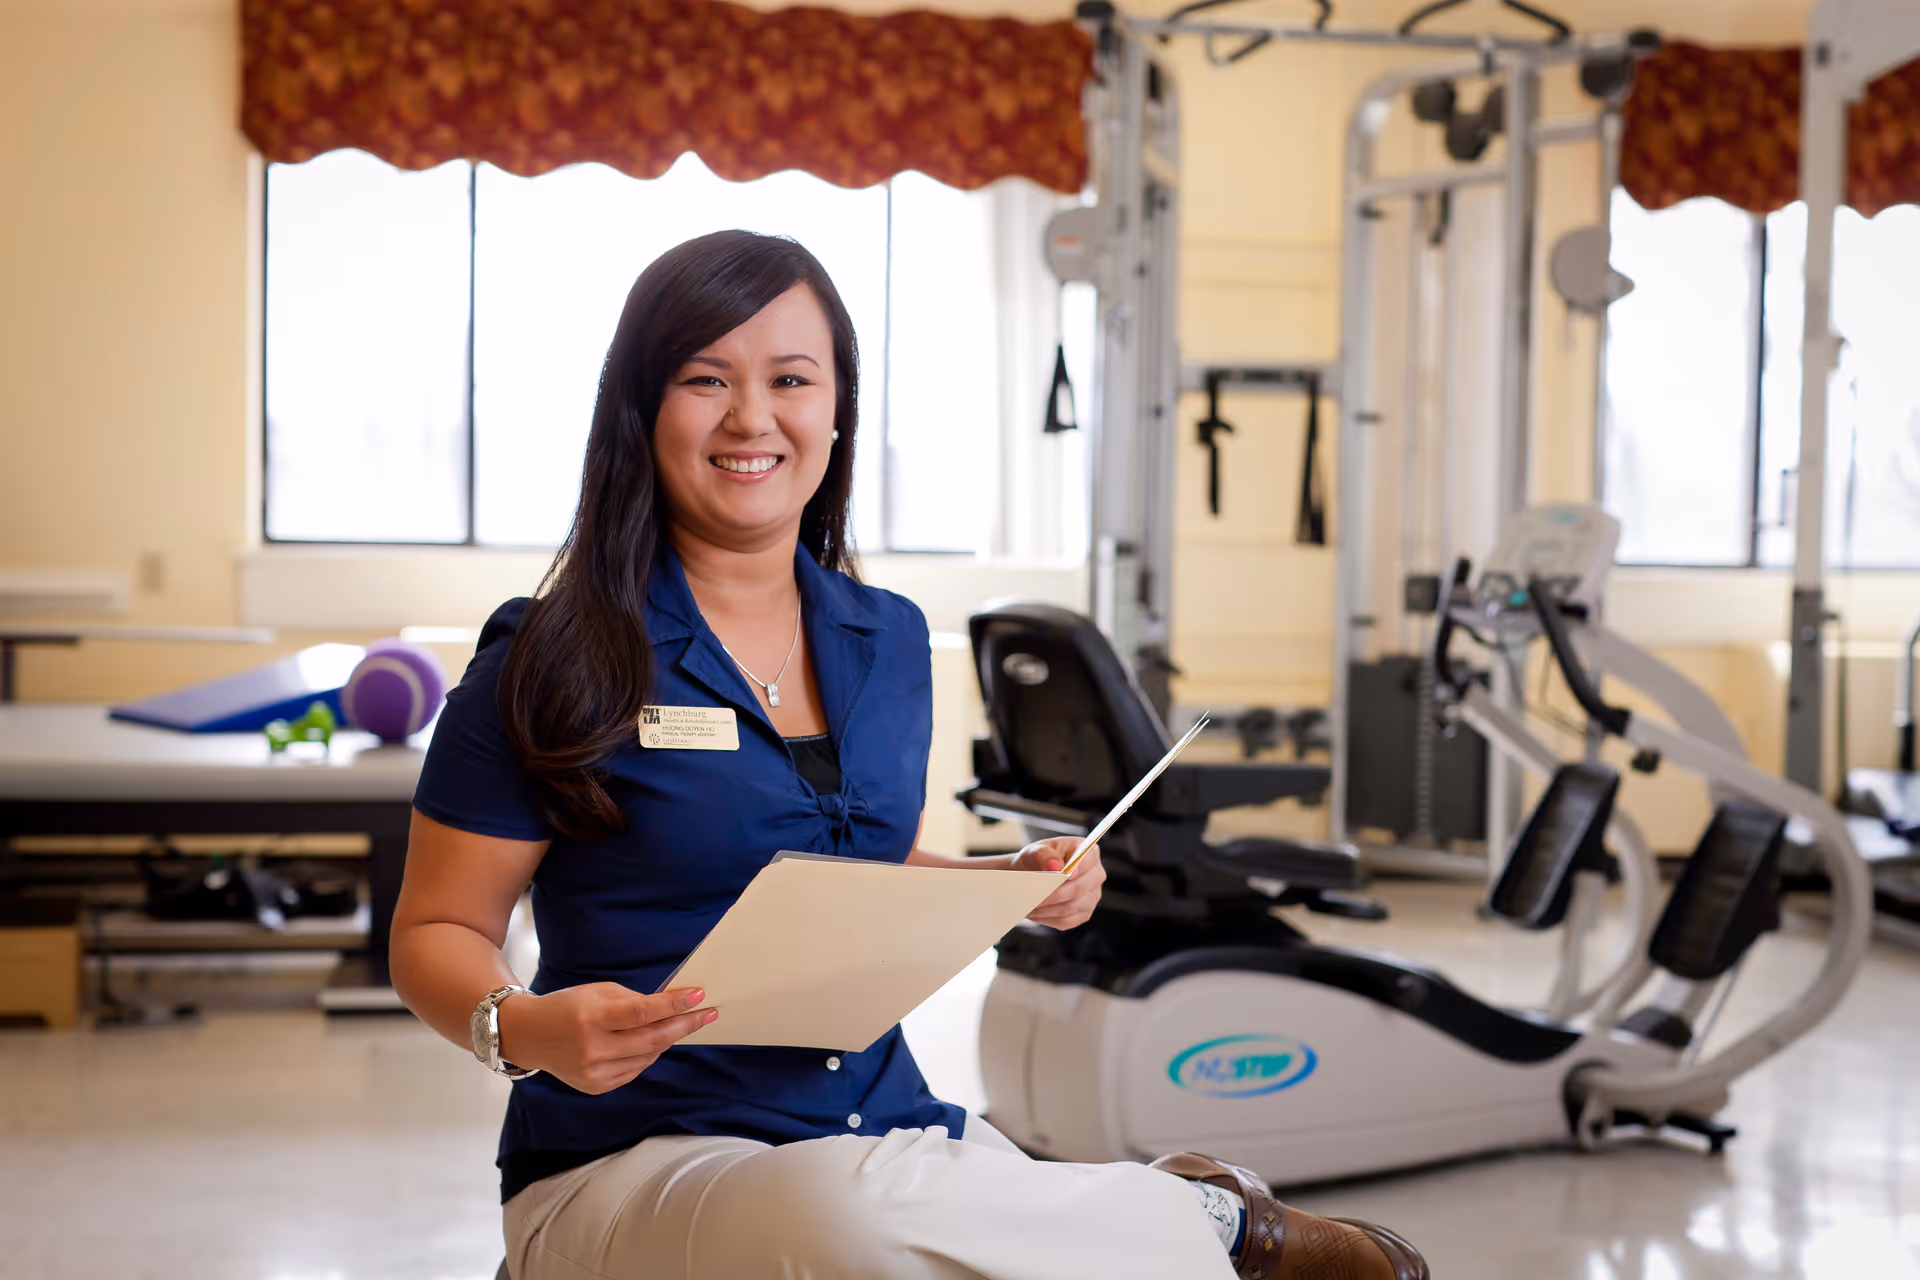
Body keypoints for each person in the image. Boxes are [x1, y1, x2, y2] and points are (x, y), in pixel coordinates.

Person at [390, 229, 1429, 1280]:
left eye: (791, 378)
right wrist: (520, 1025)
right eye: (706, 378)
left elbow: (852, 882)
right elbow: (438, 926)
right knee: (851, 1220)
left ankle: (1194, 1227)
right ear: (641, 407)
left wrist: (1001, 886)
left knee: (927, 1218)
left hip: (872, 1122)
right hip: (626, 1154)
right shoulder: (547, 654)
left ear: (835, 409)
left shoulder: (885, 639)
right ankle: (1202, 1214)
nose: (752, 416)